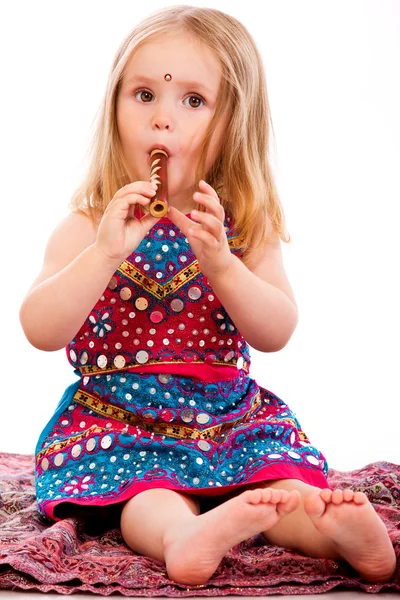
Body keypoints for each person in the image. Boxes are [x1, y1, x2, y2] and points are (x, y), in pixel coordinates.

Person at [19, 5, 395, 587]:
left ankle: (334, 533)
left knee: (281, 488)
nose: (162, 118)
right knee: (148, 495)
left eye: (192, 100)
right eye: (144, 94)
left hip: (229, 419)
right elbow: (40, 329)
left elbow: (276, 331)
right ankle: (184, 535)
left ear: (234, 121)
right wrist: (103, 254)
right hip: (122, 423)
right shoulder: (90, 223)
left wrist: (223, 261)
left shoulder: (245, 225)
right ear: (114, 105)